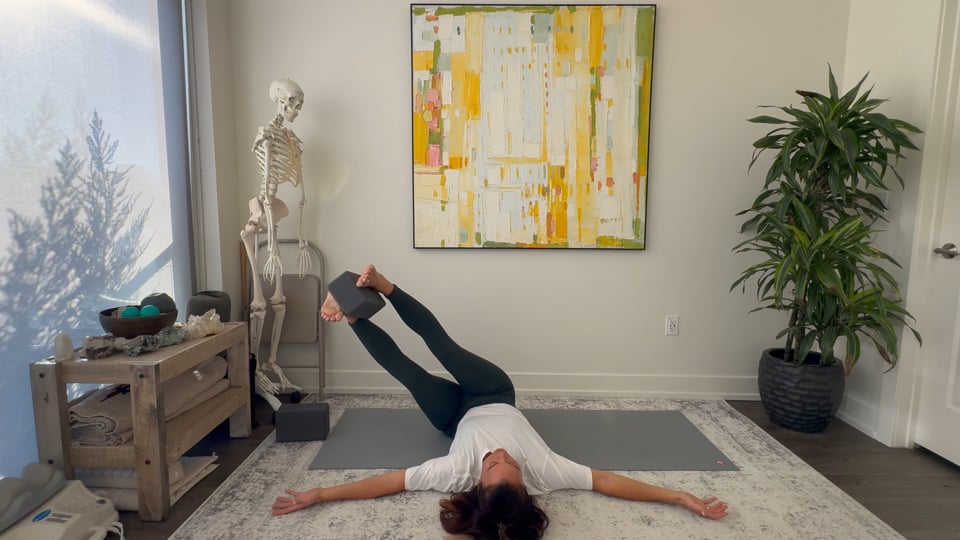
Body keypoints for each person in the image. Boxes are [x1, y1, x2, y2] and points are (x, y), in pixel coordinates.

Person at [272, 265, 728, 538]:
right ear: (526, 483)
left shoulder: (454, 472)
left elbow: (389, 482)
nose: (501, 455)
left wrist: (321, 494)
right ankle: (388, 287)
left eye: (493, 464)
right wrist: (678, 496)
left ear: (477, 483)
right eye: (511, 463)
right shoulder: (546, 472)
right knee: (444, 347)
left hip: (454, 416)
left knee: (408, 373)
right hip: (493, 392)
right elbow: (608, 482)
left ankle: (353, 317)